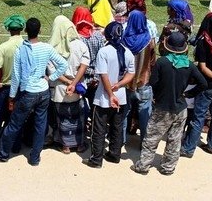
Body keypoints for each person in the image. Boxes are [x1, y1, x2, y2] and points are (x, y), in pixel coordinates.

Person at [0, 17, 69, 166]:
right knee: (40, 125)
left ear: (26, 31)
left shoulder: (22, 50)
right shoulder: (46, 48)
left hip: (28, 93)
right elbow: (63, 65)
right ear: (40, 31)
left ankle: (2, 154)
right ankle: (35, 158)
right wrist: (50, 78)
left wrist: (11, 97)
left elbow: (17, 78)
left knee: (14, 125)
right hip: (43, 92)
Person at [131, 32, 207, 176]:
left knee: (151, 138)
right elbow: (203, 83)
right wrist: (189, 94)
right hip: (181, 108)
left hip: (162, 108)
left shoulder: (162, 62)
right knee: (175, 139)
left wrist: (159, 94)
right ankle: (168, 168)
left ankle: (143, 166)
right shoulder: (189, 65)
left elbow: (153, 82)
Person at [84, 21, 135, 168]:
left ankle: (96, 159)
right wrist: (119, 85)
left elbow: (103, 75)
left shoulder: (104, 52)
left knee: (99, 129)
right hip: (121, 96)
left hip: (103, 98)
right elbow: (131, 73)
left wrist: (110, 93)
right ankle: (114, 154)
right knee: (116, 128)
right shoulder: (127, 52)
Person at [181, 13, 212, 157]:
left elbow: (203, 67)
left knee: (199, 115)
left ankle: (188, 148)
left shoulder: (204, 42)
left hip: (207, 84)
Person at [49, 15, 90, 154]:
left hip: (60, 89)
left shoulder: (52, 48)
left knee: (62, 118)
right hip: (77, 89)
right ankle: (79, 144)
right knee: (78, 117)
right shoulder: (81, 45)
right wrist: (74, 83)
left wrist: (68, 82)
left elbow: (53, 72)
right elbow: (84, 65)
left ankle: (65, 145)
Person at [0, 14, 25, 150]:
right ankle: (15, 145)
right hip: (21, 88)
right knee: (16, 118)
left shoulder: (4, 47)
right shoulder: (25, 45)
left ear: (9, 29)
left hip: (5, 88)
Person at [122, 10, 156, 145]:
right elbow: (153, 62)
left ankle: (121, 141)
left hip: (126, 83)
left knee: (124, 113)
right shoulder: (149, 41)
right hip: (144, 82)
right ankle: (144, 143)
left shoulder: (124, 40)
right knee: (145, 116)